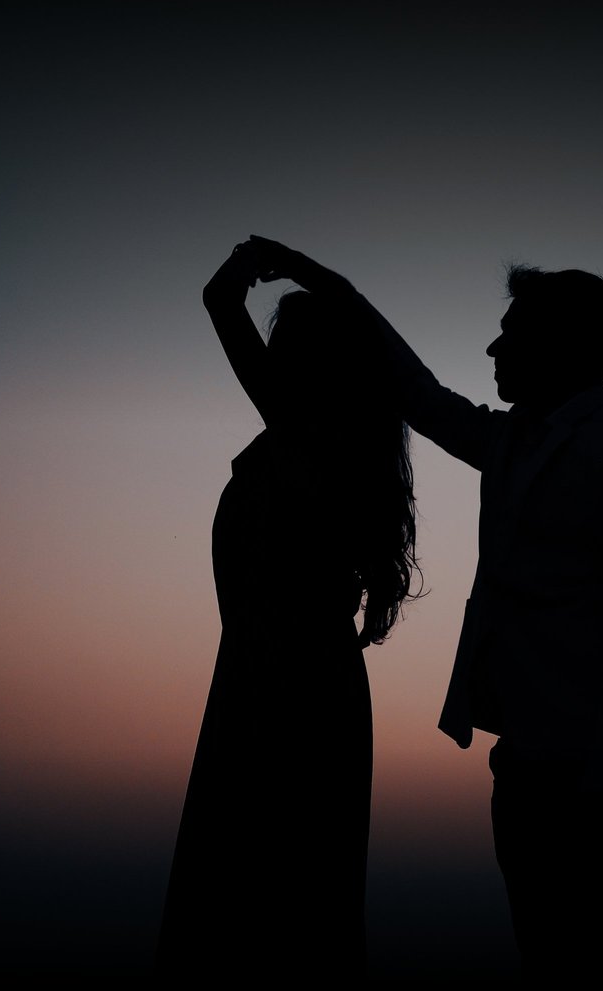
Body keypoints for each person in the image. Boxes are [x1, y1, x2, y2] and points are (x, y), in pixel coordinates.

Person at [246, 235, 603, 980]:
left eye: (513, 331)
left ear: (559, 344)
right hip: (525, 771)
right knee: (556, 967)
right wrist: (316, 277)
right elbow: (414, 387)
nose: (494, 345)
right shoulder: (506, 442)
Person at [155, 241, 419, 979]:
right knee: (280, 906)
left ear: (323, 365)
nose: (274, 356)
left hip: (285, 691)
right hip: (277, 682)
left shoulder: (313, 441)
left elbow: (218, 301)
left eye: (291, 345)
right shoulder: (319, 445)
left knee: (266, 911)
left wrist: (268, 262)